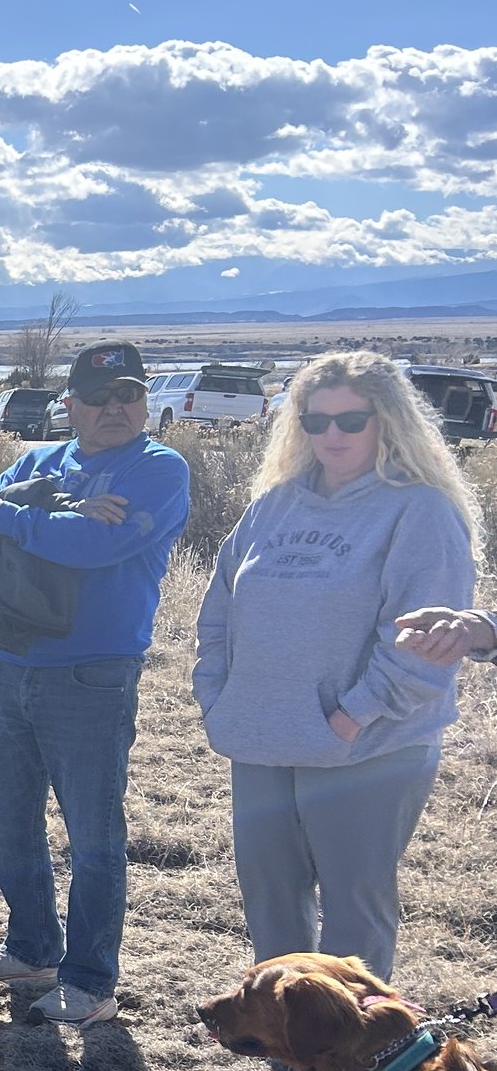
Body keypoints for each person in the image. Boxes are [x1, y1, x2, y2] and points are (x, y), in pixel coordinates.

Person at [196, 352, 477, 978]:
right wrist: (218, 697)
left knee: (354, 911)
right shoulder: (274, 506)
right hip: (261, 738)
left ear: (389, 421)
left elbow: (420, 639)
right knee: (271, 905)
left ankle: (356, 1061)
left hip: (367, 749)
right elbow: (218, 612)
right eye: (315, 421)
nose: (332, 436)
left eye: (351, 420)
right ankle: (288, 1044)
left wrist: (350, 718)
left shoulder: (420, 510)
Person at [0, 341, 190, 1026]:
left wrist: (14, 516)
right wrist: (47, 513)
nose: (114, 407)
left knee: (92, 838)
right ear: (71, 406)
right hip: (13, 663)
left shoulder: (158, 468)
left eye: (128, 394)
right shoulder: (42, 461)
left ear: (145, 403)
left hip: (94, 673)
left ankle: (90, 982)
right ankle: (32, 948)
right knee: (9, 825)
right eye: (98, 397)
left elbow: (95, 546)